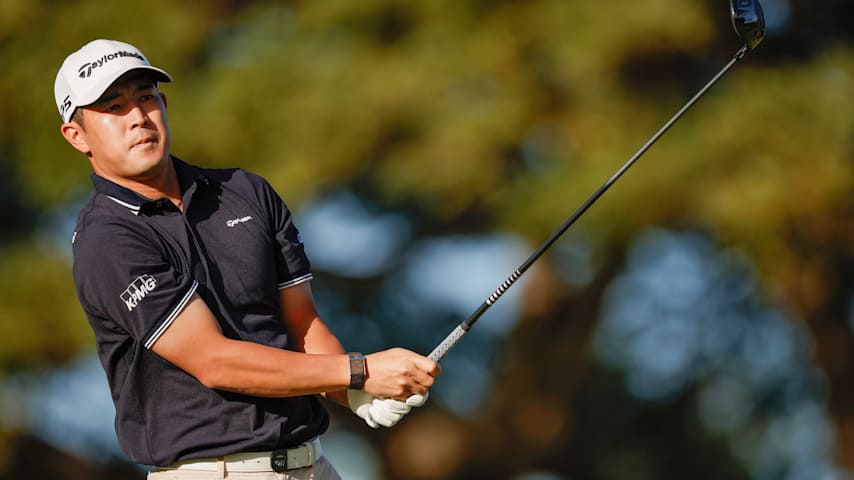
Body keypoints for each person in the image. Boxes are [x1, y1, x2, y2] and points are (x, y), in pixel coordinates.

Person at [55, 38, 440, 479]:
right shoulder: (106, 239)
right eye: (113, 108)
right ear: (77, 135)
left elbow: (302, 323)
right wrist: (359, 371)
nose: (138, 118)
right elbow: (215, 361)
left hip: (311, 463)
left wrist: (353, 392)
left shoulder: (245, 192)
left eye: (146, 97)